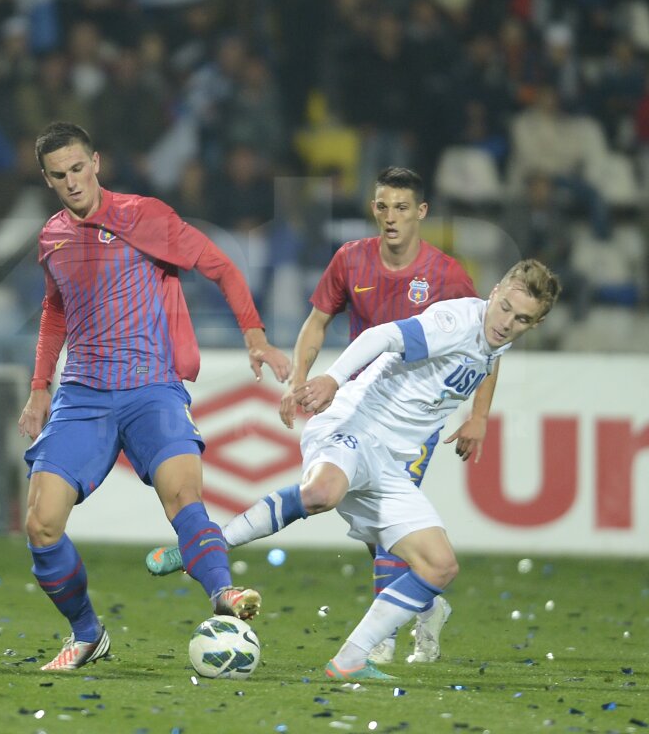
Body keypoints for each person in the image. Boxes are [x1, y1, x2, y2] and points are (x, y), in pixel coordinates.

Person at [147, 167, 494, 665]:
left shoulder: (448, 276)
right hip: (354, 409)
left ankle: (383, 638)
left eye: (401, 207)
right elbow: (316, 323)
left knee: (381, 522)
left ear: (421, 213)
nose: (391, 217)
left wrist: (478, 415)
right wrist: (298, 382)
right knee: (374, 521)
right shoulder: (351, 260)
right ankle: (425, 605)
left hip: (410, 422)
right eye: (382, 206)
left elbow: (486, 348)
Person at [196, 260, 559, 680]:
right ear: (495, 292)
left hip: (389, 461)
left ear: (536, 323)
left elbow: (489, 356)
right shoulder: (457, 320)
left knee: (439, 566)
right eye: (506, 308)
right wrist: (332, 379)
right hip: (354, 427)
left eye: (522, 319)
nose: (508, 323)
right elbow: (381, 334)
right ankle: (206, 545)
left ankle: (351, 659)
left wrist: (479, 415)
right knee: (321, 493)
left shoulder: (497, 336)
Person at [17, 122, 292, 671]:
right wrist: (39, 389)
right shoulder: (51, 238)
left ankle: (224, 595)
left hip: (151, 387)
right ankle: (87, 633)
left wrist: (254, 334)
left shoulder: (144, 216)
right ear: (46, 180)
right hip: (83, 395)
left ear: (96, 162)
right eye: (59, 175)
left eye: (78, 168)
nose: (72, 182)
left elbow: (221, 265)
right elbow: (54, 311)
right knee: (41, 525)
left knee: (182, 494)